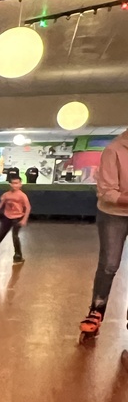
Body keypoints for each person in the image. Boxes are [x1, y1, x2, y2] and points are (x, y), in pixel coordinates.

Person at [80, 129, 128, 341]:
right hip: (113, 214)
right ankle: (96, 310)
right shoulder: (114, 150)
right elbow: (108, 193)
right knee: (109, 264)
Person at [0, 176, 30, 264]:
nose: (15, 185)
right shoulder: (6, 194)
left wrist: (24, 219)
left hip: (17, 217)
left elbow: (28, 207)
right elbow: (1, 204)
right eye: (13, 183)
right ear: (10, 184)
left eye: (17, 183)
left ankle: (18, 255)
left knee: (15, 236)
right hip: (7, 217)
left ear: (20, 184)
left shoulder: (23, 195)